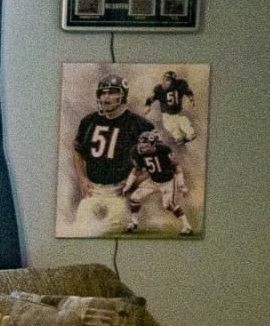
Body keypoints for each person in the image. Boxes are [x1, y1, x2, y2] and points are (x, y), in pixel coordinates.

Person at [70, 73, 151, 234]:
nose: (105, 96)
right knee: (80, 231)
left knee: (112, 231)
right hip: (92, 190)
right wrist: (82, 178)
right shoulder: (89, 121)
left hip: (118, 193)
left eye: (112, 92)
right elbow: (78, 153)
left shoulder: (139, 125)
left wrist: (134, 182)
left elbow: (158, 160)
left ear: (123, 95)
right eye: (102, 92)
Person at [122, 128, 195, 235]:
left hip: (167, 181)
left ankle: (187, 226)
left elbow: (177, 167)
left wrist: (182, 185)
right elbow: (136, 169)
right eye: (141, 143)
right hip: (152, 180)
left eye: (145, 145)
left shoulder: (164, 150)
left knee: (168, 205)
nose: (141, 147)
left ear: (153, 144)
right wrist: (128, 185)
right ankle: (134, 222)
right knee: (134, 197)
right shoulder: (137, 152)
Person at [146, 68, 197, 145]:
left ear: (174, 81)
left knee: (192, 135)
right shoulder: (159, 89)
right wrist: (148, 105)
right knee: (178, 138)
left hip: (179, 114)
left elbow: (188, 91)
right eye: (165, 79)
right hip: (167, 117)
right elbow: (151, 98)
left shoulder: (180, 84)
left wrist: (191, 99)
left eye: (169, 80)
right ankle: (180, 140)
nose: (166, 82)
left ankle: (183, 140)